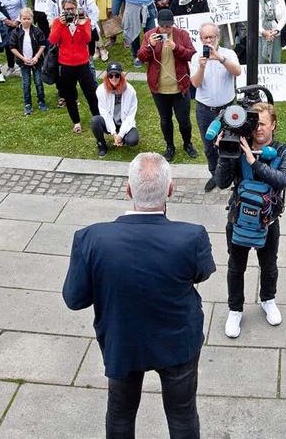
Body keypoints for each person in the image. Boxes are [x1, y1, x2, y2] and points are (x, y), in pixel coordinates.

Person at [62, 152, 214, 438]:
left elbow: (75, 299)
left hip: (123, 342)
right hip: (177, 342)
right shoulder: (192, 237)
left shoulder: (91, 238)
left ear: (128, 189)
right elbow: (201, 274)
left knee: (120, 413)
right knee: (182, 415)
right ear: (170, 189)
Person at [214, 102, 286, 339]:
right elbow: (221, 182)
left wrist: (253, 161)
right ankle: (235, 309)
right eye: (254, 124)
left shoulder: (284, 152)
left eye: (262, 124)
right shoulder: (238, 145)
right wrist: (224, 154)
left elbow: (282, 180)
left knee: (269, 265)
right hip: (238, 219)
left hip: (268, 222)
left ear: (273, 124)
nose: (257, 129)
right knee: (235, 267)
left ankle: (268, 299)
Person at [138, 9, 197, 161]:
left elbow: (191, 54)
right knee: (165, 119)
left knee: (184, 121)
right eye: (163, 26)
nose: (165, 29)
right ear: (158, 24)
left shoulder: (182, 35)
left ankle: (187, 143)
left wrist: (176, 48)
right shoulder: (149, 35)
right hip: (159, 88)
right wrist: (150, 45)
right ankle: (170, 146)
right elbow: (141, 57)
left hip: (180, 87)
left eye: (168, 26)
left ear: (173, 24)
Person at [191, 22, 240, 192]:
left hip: (227, 109)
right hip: (205, 110)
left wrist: (220, 58)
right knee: (209, 146)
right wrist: (202, 67)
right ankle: (215, 174)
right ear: (200, 39)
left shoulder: (228, 53)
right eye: (206, 37)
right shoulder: (196, 57)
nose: (209, 40)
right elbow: (195, 83)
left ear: (218, 37)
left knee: (230, 143)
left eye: (212, 37)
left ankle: (232, 175)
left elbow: (237, 72)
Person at [49, 0, 100, 134]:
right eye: (67, 9)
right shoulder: (57, 22)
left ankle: (97, 117)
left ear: (76, 8)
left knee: (90, 92)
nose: (70, 12)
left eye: (72, 8)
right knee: (69, 95)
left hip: (82, 63)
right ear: (62, 10)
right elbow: (53, 40)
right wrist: (60, 24)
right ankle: (76, 122)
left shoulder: (85, 20)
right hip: (66, 64)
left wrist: (81, 24)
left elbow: (88, 39)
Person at [91, 61, 140, 156]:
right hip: (109, 122)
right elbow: (105, 113)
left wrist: (120, 134)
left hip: (124, 122)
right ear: (107, 77)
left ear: (121, 76)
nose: (114, 78)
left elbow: (130, 116)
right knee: (95, 121)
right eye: (111, 76)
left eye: (117, 75)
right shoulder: (101, 90)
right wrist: (113, 133)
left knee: (133, 141)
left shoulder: (130, 90)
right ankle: (101, 144)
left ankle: (122, 139)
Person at [8, 8, 48, 115]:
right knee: (26, 83)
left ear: (32, 19)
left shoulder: (37, 31)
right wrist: (23, 58)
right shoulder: (15, 32)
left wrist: (36, 57)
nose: (26, 21)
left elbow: (43, 45)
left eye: (28, 19)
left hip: (36, 61)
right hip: (23, 62)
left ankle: (41, 101)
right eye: (24, 19)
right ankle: (27, 104)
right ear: (20, 19)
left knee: (38, 82)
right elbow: (12, 47)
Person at [257, 0, 286, 64]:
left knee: (275, 60)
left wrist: (276, 30)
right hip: (260, 33)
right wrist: (263, 31)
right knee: (260, 60)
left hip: (275, 33)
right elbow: (254, 19)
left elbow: (283, 17)